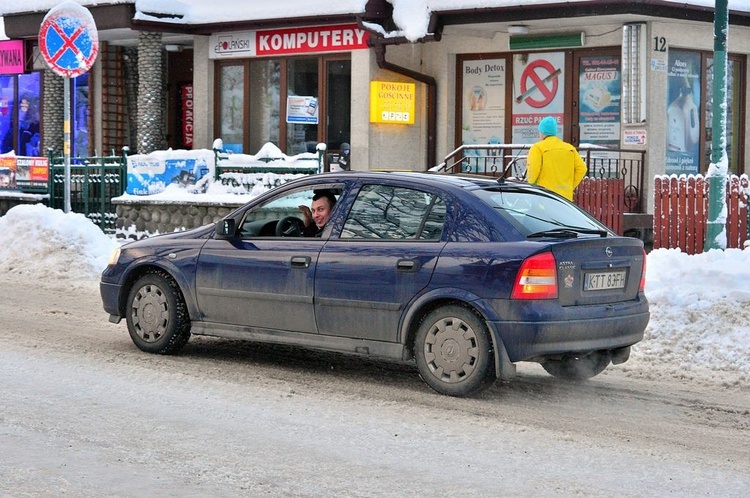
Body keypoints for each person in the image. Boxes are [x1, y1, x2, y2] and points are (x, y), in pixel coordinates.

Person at [526, 116, 587, 201]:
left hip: (545, 196)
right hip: (565, 198)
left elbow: (533, 170)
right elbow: (582, 168)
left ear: (542, 132)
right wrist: (570, 186)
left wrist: (530, 186)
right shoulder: (570, 148)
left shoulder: (538, 148)